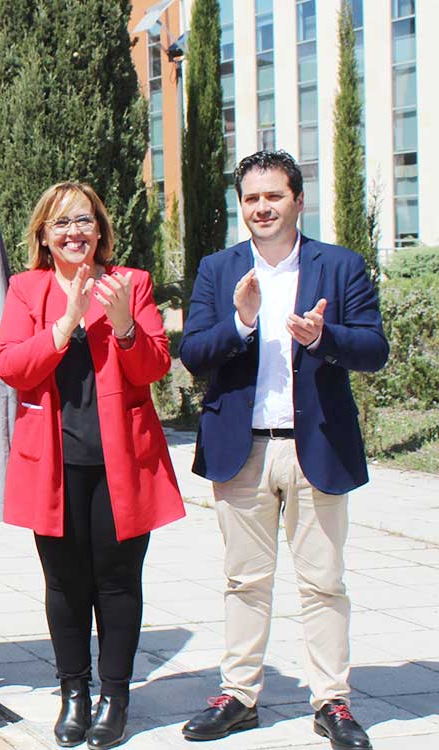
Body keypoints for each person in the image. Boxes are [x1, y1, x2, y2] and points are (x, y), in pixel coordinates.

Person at [178, 150, 387, 750]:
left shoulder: (339, 267)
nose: (262, 208)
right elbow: (192, 353)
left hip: (315, 447)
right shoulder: (220, 271)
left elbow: (374, 349)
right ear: (239, 205)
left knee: (323, 583)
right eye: (251, 199)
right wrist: (241, 323)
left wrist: (326, 337)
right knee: (245, 581)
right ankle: (238, 695)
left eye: (273, 196)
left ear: (298, 199)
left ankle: (332, 702)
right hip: (240, 450)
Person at [0, 181, 185, 749]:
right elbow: (10, 365)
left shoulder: (132, 283)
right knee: (64, 584)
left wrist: (123, 323)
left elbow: (153, 368)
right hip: (53, 462)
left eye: (84, 221)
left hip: (122, 462)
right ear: (44, 237)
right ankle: (73, 692)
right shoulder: (26, 289)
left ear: (100, 229)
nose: (74, 231)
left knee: (119, 583)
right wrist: (66, 322)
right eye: (61, 223)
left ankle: (115, 698)